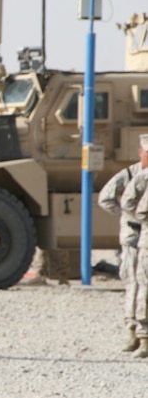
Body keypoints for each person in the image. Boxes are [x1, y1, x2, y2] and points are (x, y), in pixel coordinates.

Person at [98, 135, 148, 354]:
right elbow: (107, 198)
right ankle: (133, 330)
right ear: (140, 153)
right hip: (132, 238)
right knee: (134, 284)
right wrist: (128, 218)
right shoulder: (130, 175)